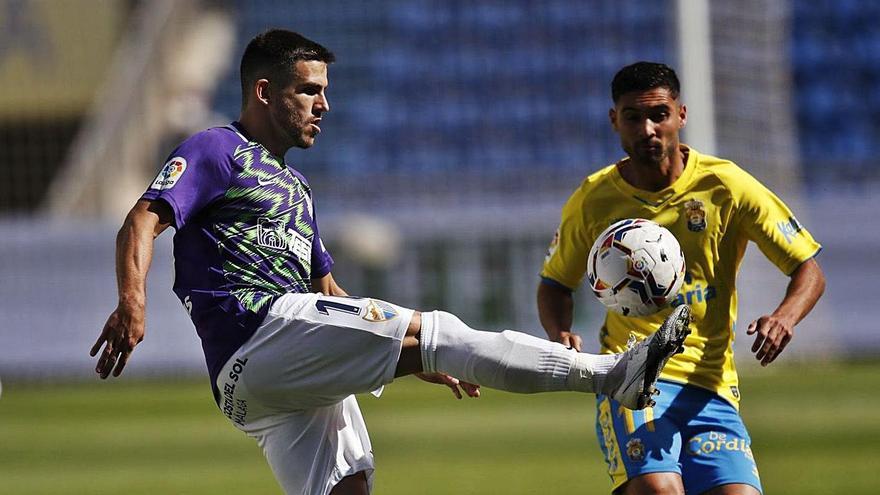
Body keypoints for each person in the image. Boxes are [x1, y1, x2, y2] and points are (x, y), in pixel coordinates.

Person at [89, 31, 691, 495]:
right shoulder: (217, 149)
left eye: (326, 90)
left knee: (351, 483)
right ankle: (613, 375)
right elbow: (142, 219)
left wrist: (413, 354)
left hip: (267, 382)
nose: (324, 104)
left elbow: (328, 288)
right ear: (265, 92)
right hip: (259, 336)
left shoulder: (296, 189)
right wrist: (131, 303)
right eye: (309, 90)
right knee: (444, 329)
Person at [538, 61, 826, 495]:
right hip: (634, 377)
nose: (649, 128)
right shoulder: (594, 200)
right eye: (634, 117)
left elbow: (808, 268)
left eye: (659, 115)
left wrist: (784, 317)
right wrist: (559, 331)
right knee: (660, 489)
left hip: (712, 384)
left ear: (681, 115)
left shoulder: (725, 186)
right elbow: (555, 283)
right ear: (615, 120)